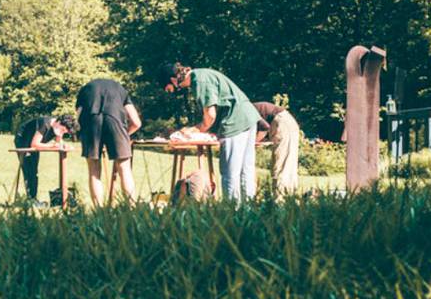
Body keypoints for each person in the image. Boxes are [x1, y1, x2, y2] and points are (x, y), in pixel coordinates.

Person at [157, 62, 260, 202]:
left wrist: (194, 130)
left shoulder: (199, 81)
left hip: (235, 121)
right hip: (249, 117)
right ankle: (249, 213)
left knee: (230, 174)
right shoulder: (201, 74)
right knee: (245, 172)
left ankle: (232, 212)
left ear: (173, 79)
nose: (175, 91)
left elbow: (210, 116)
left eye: (170, 88)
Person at [76, 79, 142, 206]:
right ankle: (132, 209)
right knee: (124, 168)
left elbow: (78, 117)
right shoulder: (120, 89)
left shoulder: (85, 89)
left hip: (91, 123)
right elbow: (136, 122)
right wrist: (125, 136)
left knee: (94, 169)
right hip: (115, 121)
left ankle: (98, 211)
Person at [13, 115, 77, 203]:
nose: (62, 133)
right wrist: (52, 146)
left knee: (34, 171)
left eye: (64, 132)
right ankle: (31, 200)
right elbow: (34, 144)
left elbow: (58, 142)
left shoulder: (57, 127)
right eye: (62, 130)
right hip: (23, 138)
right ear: (58, 122)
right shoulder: (44, 124)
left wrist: (64, 145)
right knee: (29, 169)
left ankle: (33, 198)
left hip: (34, 141)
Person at [254, 101, 300, 196]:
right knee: (286, 164)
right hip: (286, 122)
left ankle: (280, 200)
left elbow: (264, 128)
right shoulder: (248, 108)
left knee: (282, 165)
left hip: (283, 123)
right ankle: (288, 198)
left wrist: (253, 143)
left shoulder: (247, 111)